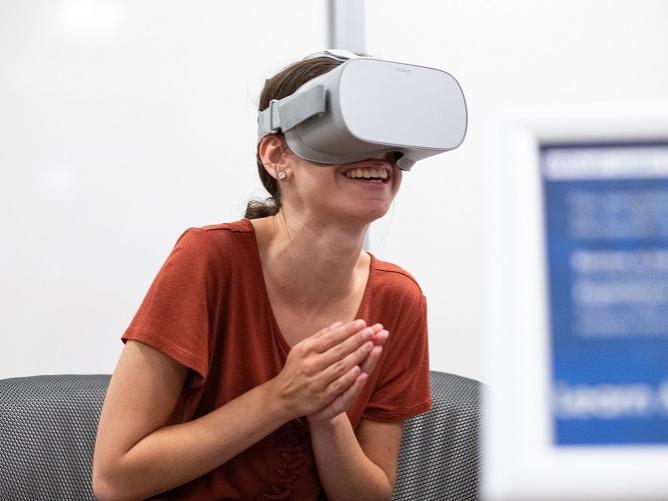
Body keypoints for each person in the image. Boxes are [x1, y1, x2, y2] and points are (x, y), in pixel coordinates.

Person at [92, 52, 431, 501]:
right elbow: (115, 480)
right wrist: (283, 398)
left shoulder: (397, 298)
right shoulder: (210, 260)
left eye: (388, 141)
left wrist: (328, 419)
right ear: (277, 156)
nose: (378, 157)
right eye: (345, 135)